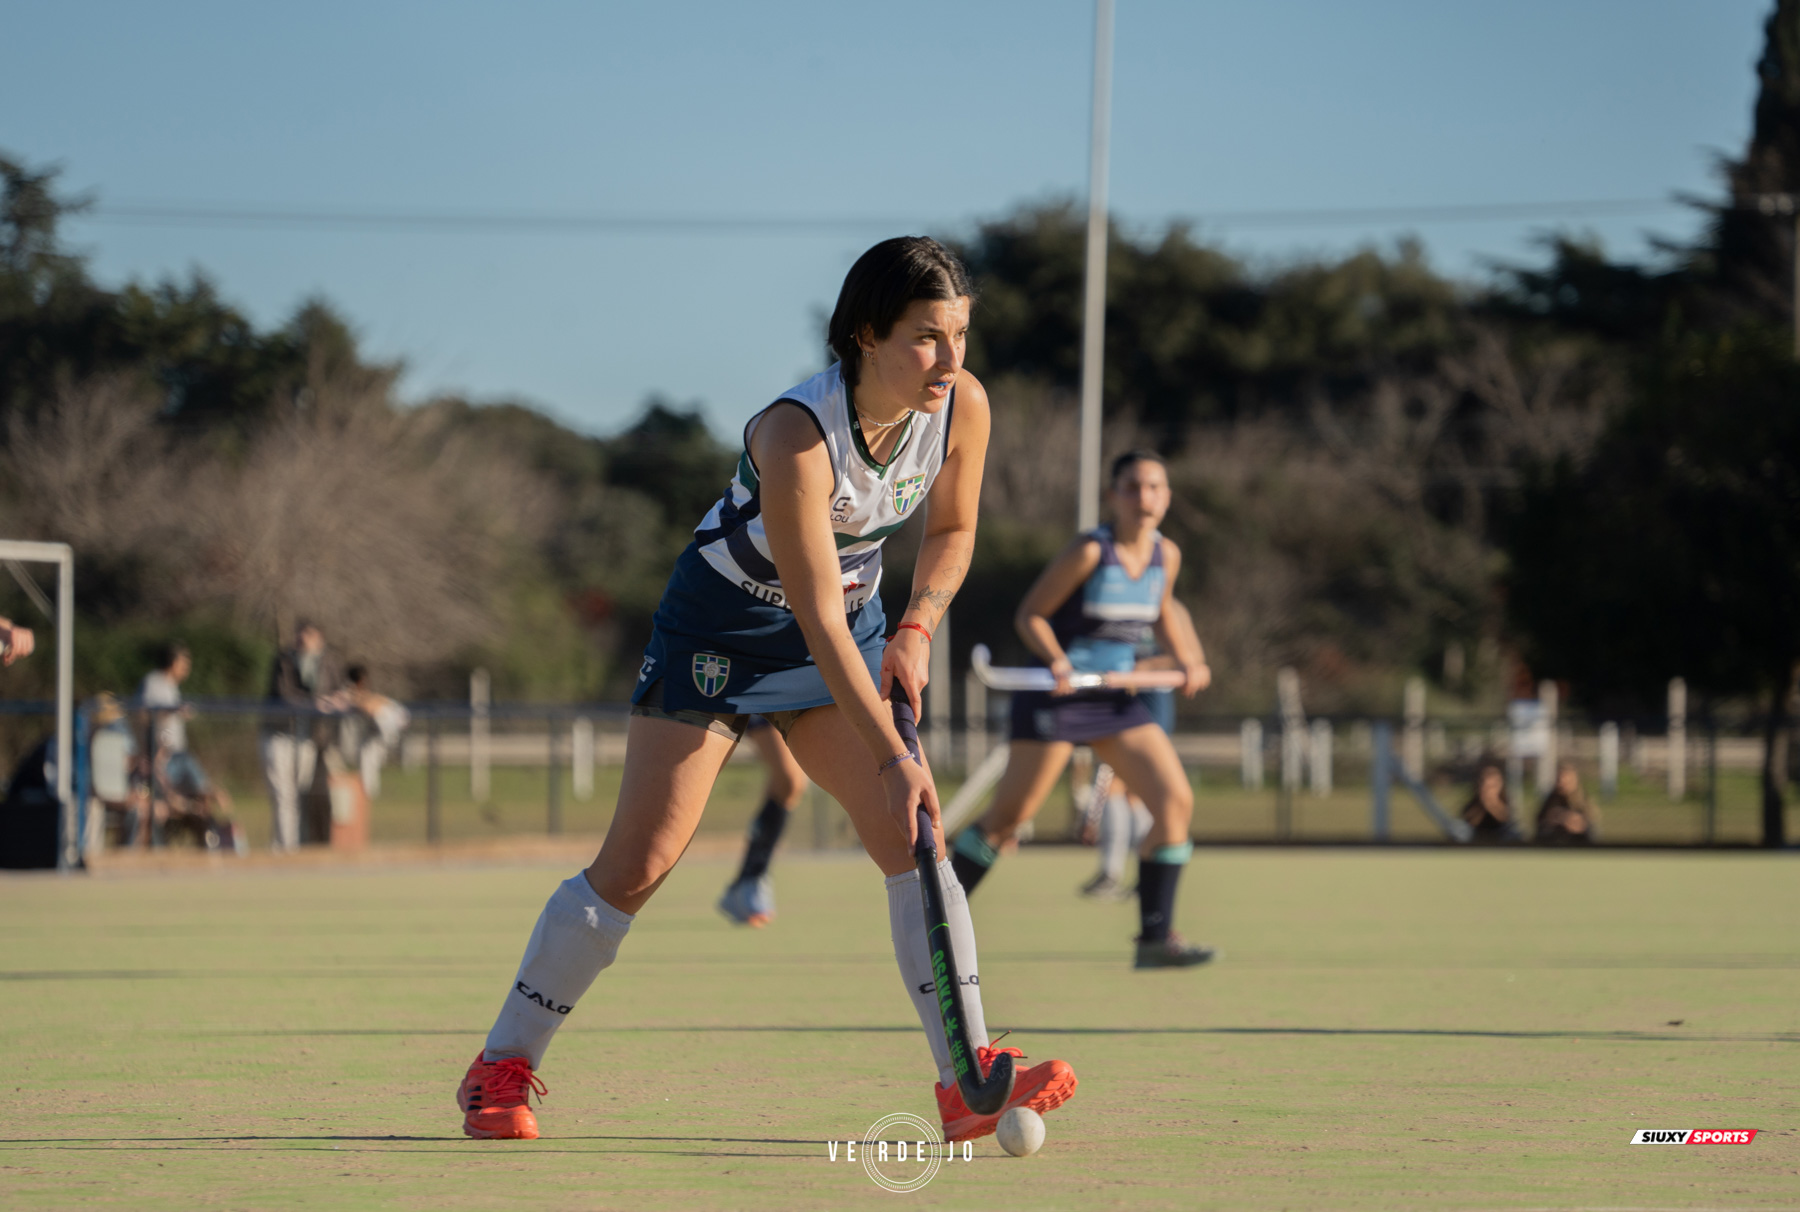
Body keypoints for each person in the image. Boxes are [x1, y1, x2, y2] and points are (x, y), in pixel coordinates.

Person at [455, 237, 1075, 1145]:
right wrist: (895, 753)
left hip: (848, 630)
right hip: (721, 635)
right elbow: (816, 617)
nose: (950, 360)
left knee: (914, 842)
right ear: (866, 333)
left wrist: (917, 627)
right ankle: (501, 1066)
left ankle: (965, 1077)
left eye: (960, 336)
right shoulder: (795, 432)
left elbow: (953, 527)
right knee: (641, 862)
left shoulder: (962, 408)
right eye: (926, 338)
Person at [949, 452, 1214, 968]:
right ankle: (934, 915)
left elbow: (1163, 609)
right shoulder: (1092, 551)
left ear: (1167, 497)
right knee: (1008, 819)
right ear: (1113, 495)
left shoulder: (1167, 555)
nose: (1144, 497)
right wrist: (1058, 662)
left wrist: (1189, 658)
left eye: (1155, 487)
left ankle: (1155, 939)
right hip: (1059, 694)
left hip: (1116, 698)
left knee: (1175, 802)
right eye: (1133, 487)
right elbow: (1032, 616)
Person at [140, 641, 245, 852]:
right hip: (161, 756)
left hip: (178, 754)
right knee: (165, 803)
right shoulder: (154, 683)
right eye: (184, 663)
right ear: (173, 662)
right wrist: (173, 713)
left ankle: (214, 835)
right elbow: (146, 717)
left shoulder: (172, 687)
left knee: (202, 794)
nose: (187, 668)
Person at [261, 620, 349, 850]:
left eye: (309, 635)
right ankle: (283, 847)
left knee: (300, 793)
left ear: (319, 637)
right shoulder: (284, 660)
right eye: (300, 635)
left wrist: (339, 699)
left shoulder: (328, 662)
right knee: (283, 794)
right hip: (280, 734)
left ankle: (297, 844)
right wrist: (313, 703)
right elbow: (283, 694)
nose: (303, 640)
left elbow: (339, 691)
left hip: (309, 737)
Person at [718, 717, 809, 927]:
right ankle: (750, 879)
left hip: (797, 686)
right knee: (788, 781)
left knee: (787, 785)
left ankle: (749, 879)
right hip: (756, 687)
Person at [345, 665, 410, 799]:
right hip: (388, 726)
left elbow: (370, 707)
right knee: (366, 754)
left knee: (367, 755)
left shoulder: (365, 697)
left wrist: (352, 701)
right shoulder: (362, 694)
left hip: (392, 727)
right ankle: (368, 793)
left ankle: (368, 794)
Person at [1535, 761, 1597, 843]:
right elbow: (1540, 823)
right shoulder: (1551, 800)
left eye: (1566, 780)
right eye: (1559, 779)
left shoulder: (1582, 800)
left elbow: (1590, 827)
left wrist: (1576, 823)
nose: (1562, 783)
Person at [1460, 762, 1513, 842]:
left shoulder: (1506, 800)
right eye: (1485, 785)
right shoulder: (1474, 802)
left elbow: (1507, 820)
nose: (1488, 789)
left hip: (1501, 835)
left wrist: (1492, 804)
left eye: (1492, 786)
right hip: (1477, 835)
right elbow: (1469, 823)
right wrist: (1482, 804)